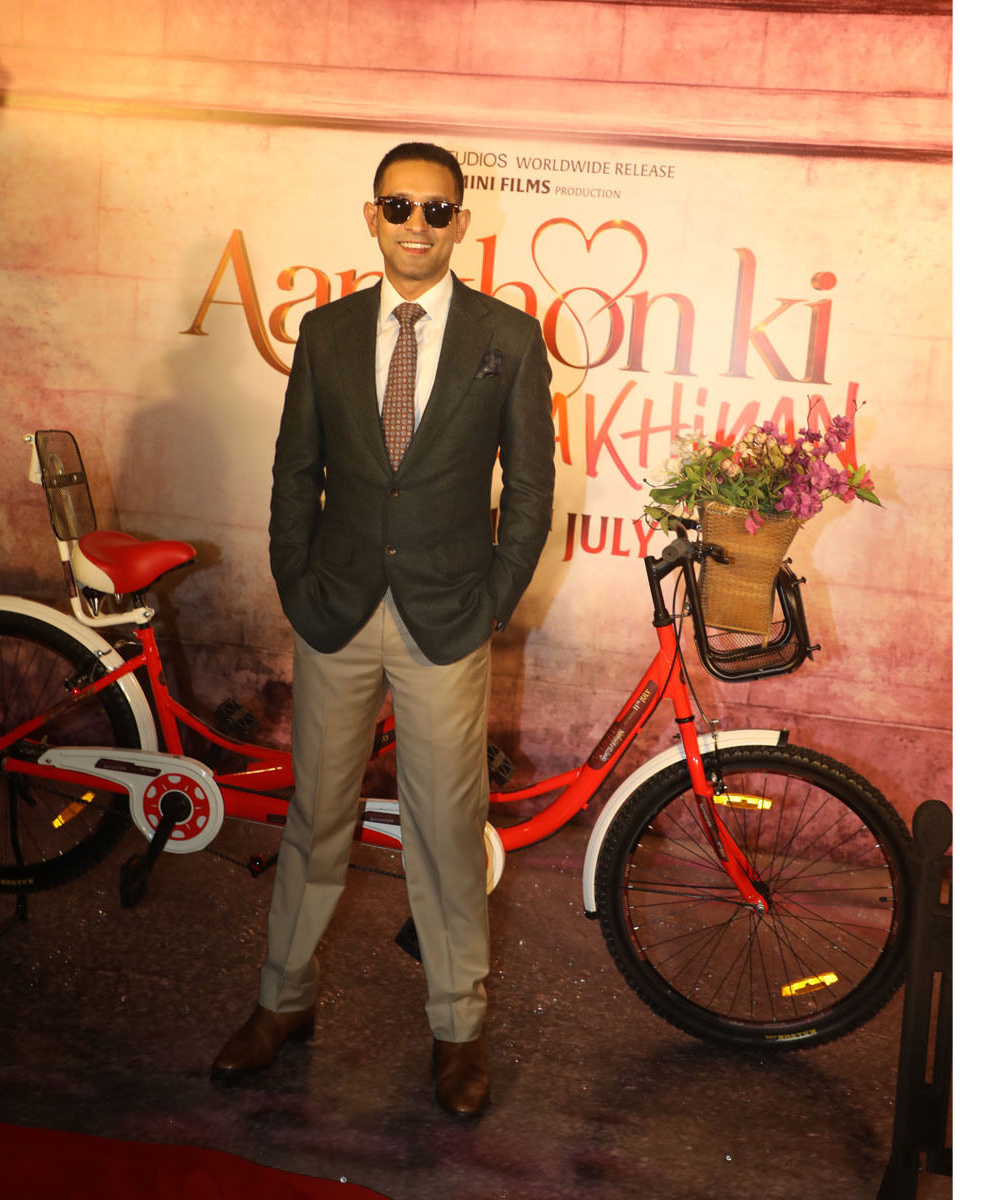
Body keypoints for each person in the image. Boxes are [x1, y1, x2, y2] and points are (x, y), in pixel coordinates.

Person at [211, 142, 556, 1116]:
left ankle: (457, 1026)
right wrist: (295, 581)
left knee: (444, 832)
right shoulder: (326, 333)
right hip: (336, 611)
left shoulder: (507, 337)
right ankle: (281, 1001)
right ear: (372, 217)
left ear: (461, 224)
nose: (416, 224)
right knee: (314, 817)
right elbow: (294, 470)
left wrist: (492, 600)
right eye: (399, 206)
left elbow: (530, 488)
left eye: (436, 209)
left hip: (448, 618)